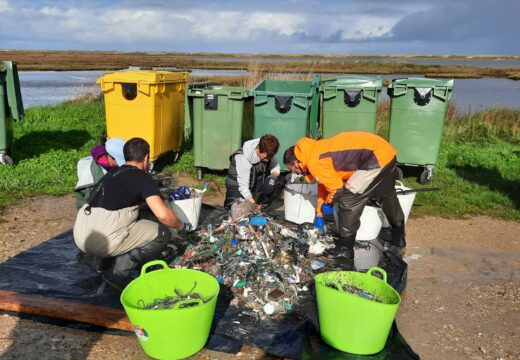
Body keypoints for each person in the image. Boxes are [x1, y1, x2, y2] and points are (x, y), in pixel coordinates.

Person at [73, 137, 191, 290]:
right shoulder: (142, 178)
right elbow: (163, 215)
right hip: (102, 242)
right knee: (161, 233)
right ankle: (118, 273)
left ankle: (105, 261)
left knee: (135, 217)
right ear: (146, 158)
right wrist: (182, 226)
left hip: (81, 235)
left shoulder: (111, 174)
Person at [283, 131, 405, 269]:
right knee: (386, 195)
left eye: (293, 169)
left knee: (349, 200)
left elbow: (336, 189)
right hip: (385, 153)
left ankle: (345, 249)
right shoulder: (313, 150)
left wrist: (328, 203)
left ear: (296, 162)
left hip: (374, 159)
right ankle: (398, 236)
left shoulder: (313, 161)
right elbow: (324, 186)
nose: (296, 173)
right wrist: (319, 214)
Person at [224, 134, 285, 210]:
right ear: (258, 148)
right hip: (237, 186)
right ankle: (254, 207)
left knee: (280, 181)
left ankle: (261, 207)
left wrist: (272, 178)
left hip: (254, 182)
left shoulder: (268, 151)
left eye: (270, 157)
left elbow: (275, 166)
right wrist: (253, 204)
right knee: (235, 212)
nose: (267, 160)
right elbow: (243, 187)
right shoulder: (243, 157)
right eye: (265, 157)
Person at [74, 137, 126, 210]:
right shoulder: (96, 178)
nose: (119, 165)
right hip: (90, 211)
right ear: (109, 156)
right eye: (119, 161)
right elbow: (93, 204)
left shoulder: (105, 160)